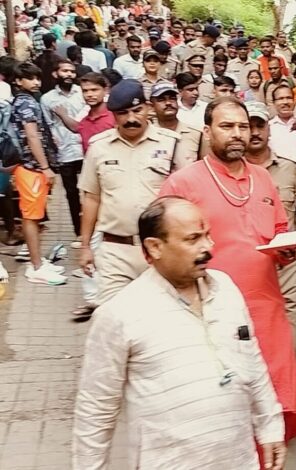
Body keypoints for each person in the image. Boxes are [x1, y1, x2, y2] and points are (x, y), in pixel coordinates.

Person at [73, 197, 287, 470]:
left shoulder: (226, 289)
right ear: (155, 247)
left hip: (240, 460)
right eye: (192, 239)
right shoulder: (120, 314)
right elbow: (95, 411)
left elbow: (253, 363)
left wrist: (270, 427)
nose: (208, 246)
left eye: (207, 235)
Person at [158, 96, 296, 442]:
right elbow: (162, 253)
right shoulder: (182, 184)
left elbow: (278, 233)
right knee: (223, 418)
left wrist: (289, 250)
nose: (237, 134)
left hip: (267, 312)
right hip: (211, 317)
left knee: (272, 415)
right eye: (227, 126)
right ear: (207, 131)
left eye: (243, 126)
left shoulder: (263, 178)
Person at [78, 79, 187, 308]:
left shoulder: (171, 144)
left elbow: (185, 196)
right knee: (112, 315)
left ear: (148, 108)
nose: (131, 119)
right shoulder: (99, 147)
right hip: (115, 249)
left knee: (161, 314)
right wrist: (86, 246)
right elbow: (92, 198)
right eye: (122, 113)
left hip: (160, 249)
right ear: (113, 116)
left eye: (137, 110)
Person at [244, 101, 296, 374]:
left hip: (287, 267)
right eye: (249, 126)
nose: (255, 132)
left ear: (269, 129)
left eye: (260, 126)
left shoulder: (289, 168)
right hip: (248, 269)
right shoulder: (230, 172)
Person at [10, 62, 67, 285]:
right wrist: (45, 167)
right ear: (18, 81)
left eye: (37, 78)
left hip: (30, 166)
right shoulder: (26, 103)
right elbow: (32, 136)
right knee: (32, 217)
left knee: (34, 216)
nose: (36, 82)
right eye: (30, 78)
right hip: (31, 167)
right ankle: (35, 267)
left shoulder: (25, 101)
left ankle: (38, 261)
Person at [41, 59, 87, 248]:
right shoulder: (47, 99)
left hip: (85, 148)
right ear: (55, 74)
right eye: (65, 71)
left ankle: (94, 230)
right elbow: (48, 125)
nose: (69, 74)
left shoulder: (83, 93)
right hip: (65, 150)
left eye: (71, 71)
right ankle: (79, 232)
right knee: (71, 193)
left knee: (91, 191)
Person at [150, 81, 206, 164]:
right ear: (152, 106)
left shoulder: (196, 134)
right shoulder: (147, 134)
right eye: (161, 100)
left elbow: (204, 165)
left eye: (172, 98)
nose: (168, 103)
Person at [75, 72, 115, 151]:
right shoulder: (83, 123)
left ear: (106, 90)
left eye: (94, 90)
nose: (89, 94)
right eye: (85, 91)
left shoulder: (116, 116)